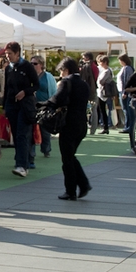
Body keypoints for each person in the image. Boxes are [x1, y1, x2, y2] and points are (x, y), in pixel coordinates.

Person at [49, 57, 92, 200]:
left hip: (68, 124)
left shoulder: (66, 82)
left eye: (61, 71)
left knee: (67, 158)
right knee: (70, 156)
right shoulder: (84, 84)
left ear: (66, 70)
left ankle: (71, 190)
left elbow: (56, 100)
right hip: (81, 124)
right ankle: (82, 184)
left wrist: (43, 105)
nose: (60, 74)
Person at [1, 42, 39, 177]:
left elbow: (36, 85)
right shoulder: (8, 68)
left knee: (22, 134)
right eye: (6, 54)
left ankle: (21, 165)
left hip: (25, 105)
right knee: (17, 135)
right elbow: (7, 88)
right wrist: (5, 106)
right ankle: (25, 160)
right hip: (12, 105)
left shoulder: (27, 67)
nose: (8, 56)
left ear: (17, 53)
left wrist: (25, 92)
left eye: (10, 54)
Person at [31, 56, 56, 160]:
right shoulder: (29, 76)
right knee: (31, 129)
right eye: (31, 63)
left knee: (45, 129)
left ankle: (46, 149)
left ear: (41, 64)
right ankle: (31, 152)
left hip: (45, 105)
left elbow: (54, 91)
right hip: (32, 105)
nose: (33, 66)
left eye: (35, 63)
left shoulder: (48, 76)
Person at [116, 54, 136, 133]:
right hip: (123, 91)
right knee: (126, 109)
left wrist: (125, 92)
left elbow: (127, 81)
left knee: (128, 110)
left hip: (126, 92)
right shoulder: (125, 68)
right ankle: (128, 126)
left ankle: (129, 126)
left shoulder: (127, 68)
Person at [96, 55, 117, 135]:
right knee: (102, 110)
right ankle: (105, 126)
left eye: (101, 62)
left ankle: (106, 127)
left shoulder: (107, 71)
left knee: (103, 110)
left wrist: (100, 82)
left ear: (105, 62)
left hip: (103, 92)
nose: (100, 64)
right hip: (103, 92)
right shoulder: (107, 70)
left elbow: (101, 81)